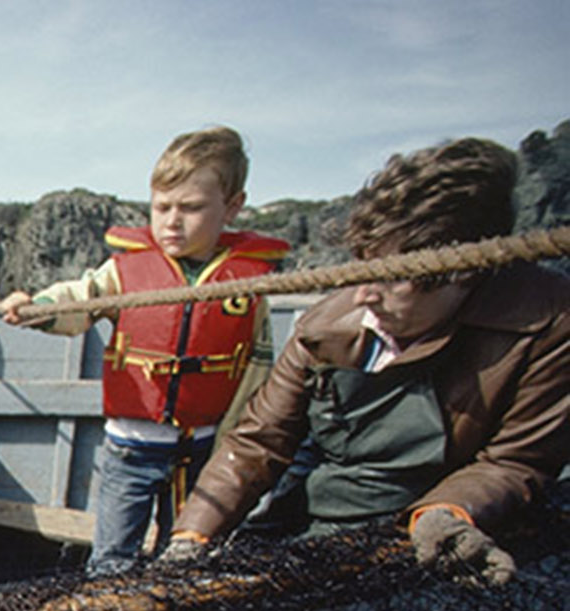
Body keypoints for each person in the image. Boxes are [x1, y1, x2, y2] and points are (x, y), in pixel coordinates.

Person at [160, 138, 570, 584]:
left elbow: (515, 461)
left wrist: (444, 514)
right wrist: (192, 536)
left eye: (390, 278)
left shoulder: (546, 322)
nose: (363, 295)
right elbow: (258, 440)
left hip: (432, 536)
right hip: (318, 525)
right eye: (361, 267)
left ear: (464, 270)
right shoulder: (323, 328)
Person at [0, 127, 287, 575]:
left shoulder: (251, 284)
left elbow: (258, 365)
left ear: (232, 206)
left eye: (190, 208)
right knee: (112, 559)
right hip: (131, 449)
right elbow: (82, 297)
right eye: (162, 207)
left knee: (192, 557)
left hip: (205, 450)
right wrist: (36, 308)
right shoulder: (125, 270)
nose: (172, 221)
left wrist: (236, 435)